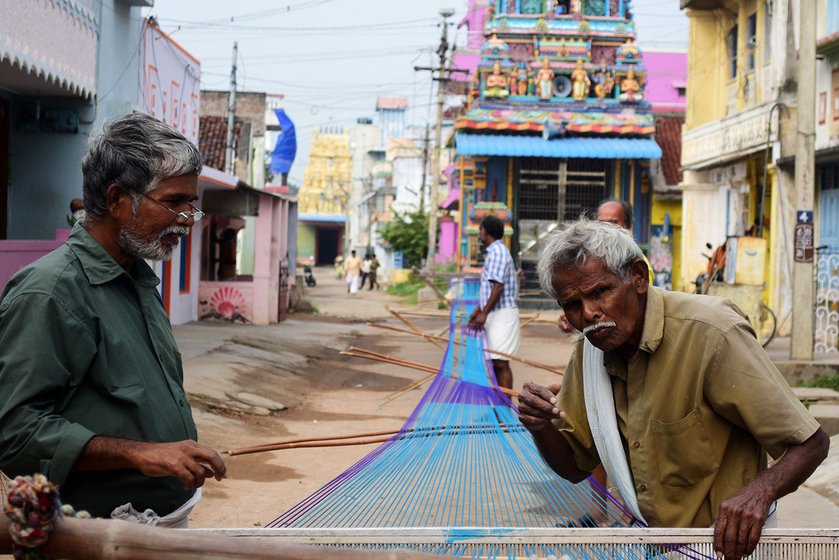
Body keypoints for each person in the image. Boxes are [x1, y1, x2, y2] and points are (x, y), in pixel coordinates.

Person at [519, 218, 829, 560]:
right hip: (649, 545)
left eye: (600, 292)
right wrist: (540, 425)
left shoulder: (712, 333)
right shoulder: (591, 353)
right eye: (571, 305)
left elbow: (811, 443)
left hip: (728, 549)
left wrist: (760, 492)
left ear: (638, 276)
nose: (589, 313)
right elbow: (575, 468)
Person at [0, 113, 227, 526]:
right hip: (90, 537)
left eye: (191, 205)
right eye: (174, 202)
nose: (187, 219)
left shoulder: (138, 279)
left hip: (156, 526)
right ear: (119, 199)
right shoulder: (50, 292)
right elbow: (15, 434)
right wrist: (141, 454)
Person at [467, 215, 519, 390]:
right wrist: (479, 309)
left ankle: (504, 409)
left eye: (480, 230)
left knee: (500, 362)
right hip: (494, 313)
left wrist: (484, 313)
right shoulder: (495, 252)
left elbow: (498, 287)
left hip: (501, 315)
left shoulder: (497, 252)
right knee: (493, 363)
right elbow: (490, 289)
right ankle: (498, 409)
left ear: (486, 232)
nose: (479, 234)